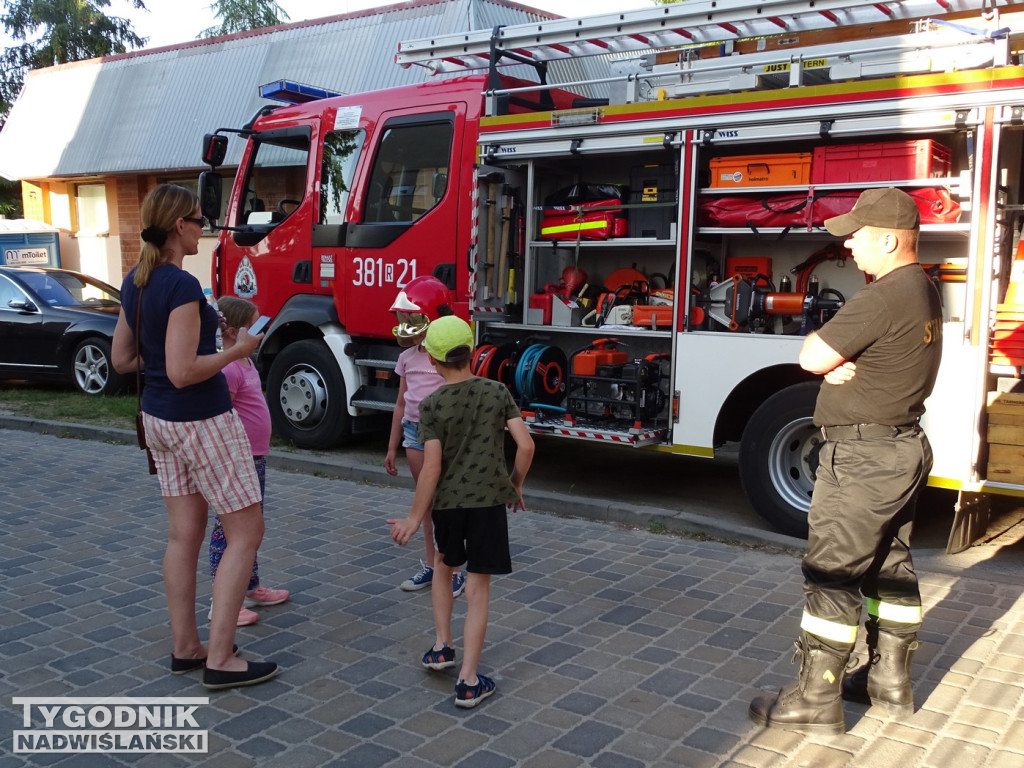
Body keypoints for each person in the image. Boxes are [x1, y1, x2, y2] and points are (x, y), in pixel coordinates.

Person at [749, 187, 942, 733]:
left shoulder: (880, 298)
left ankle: (815, 699)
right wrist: (844, 362)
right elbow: (883, 356)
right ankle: (888, 681)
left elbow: (811, 355)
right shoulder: (923, 289)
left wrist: (829, 360)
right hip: (899, 450)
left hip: (861, 459)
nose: (849, 243)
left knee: (831, 574)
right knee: (890, 568)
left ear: (889, 239)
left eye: (858, 235)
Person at [111, 183, 279, 691]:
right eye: (198, 218)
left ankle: (187, 647)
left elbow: (123, 360)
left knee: (184, 535)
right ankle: (222, 658)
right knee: (247, 532)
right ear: (178, 226)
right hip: (200, 419)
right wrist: (238, 351)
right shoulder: (181, 286)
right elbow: (185, 372)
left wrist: (186, 352)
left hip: (159, 420)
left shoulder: (135, 282)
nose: (203, 225)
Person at [387, 315, 534, 708]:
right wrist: (514, 485)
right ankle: (469, 681)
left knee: (442, 566)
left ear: (432, 361)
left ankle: (441, 646)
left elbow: (431, 468)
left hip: (448, 505)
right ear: (472, 353)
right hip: (487, 505)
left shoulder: (432, 404)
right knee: (478, 587)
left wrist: (415, 517)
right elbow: (526, 446)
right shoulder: (497, 391)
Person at [208, 296, 290, 627]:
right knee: (228, 530)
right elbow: (222, 413)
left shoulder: (246, 362)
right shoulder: (228, 367)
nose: (261, 332)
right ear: (235, 330)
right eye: (256, 325)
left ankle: (250, 585)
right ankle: (223, 600)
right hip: (237, 457)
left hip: (255, 456)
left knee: (251, 527)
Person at [385, 276, 466, 599]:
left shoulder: (446, 358)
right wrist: (392, 446)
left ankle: (455, 570)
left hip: (444, 436)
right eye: (403, 319)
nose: (407, 325)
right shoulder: (406, 359)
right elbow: (401, 403)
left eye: (412, 319)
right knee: (428, 504)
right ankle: (434, 565)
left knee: (448, 504)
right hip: (414, 434)